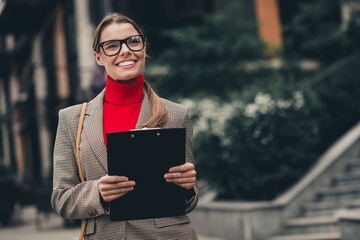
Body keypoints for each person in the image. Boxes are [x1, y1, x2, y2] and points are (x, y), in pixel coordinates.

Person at [51, 13, 199, 239]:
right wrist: (98, 192)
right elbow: (61, 199)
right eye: (111, 46)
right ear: (98, 57)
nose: (124, 50)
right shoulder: (71, 119)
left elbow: (187, 200)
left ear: (144, 47)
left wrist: (188, 186)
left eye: (133, 41)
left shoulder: (176, 114)